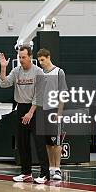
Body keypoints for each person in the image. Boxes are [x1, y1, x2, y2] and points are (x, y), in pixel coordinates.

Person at [0, 46, 50, 184]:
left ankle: (45, 174)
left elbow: (39, 95)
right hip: (21, 108)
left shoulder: (38, 72)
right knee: (22, 143)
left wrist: (30, 112)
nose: (21, 60)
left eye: (24, 57)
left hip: (36, 109)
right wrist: (3, 67)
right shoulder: (16, 71)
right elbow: (4, 83)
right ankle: (26, 173)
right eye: (19, 57)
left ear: (30, 57)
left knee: (39, 143)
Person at [35, 48, 67, 181]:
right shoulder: (40, 73)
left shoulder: (59, 72)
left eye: (42, 60)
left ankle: (57, 168)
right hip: (42, 110)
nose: (41, 62)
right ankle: (51, 168)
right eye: (39, 60)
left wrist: (59, 112)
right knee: (47, 142)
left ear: (48, 57)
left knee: (57, 142)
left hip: (54, 110)